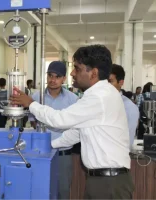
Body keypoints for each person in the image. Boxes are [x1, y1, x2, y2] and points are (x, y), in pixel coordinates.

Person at [11, 45, 133, 200]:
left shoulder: (100, 97)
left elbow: (59, 120)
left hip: (109, 183)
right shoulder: (99, 95)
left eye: (77, 68)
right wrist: (48, 145)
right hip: (102, 180)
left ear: (93, 73)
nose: (72, 73)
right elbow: (77, 133)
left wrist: (31, 103)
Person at [30, 61, 78, 200]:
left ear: (64, 78)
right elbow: (33, 121)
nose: (52, 80)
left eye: (57, 76)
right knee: (40, 190)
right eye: (50, 75)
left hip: (63, 154)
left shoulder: (72, 99)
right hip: (41, 153)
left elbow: (75, 126)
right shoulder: (36, 98)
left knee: (62, 191)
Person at [108, 64, 139, 148]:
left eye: (110, 81)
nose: (106, 86)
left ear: (121, 82)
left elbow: (127, 140)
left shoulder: (129, 107)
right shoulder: (98, 102)